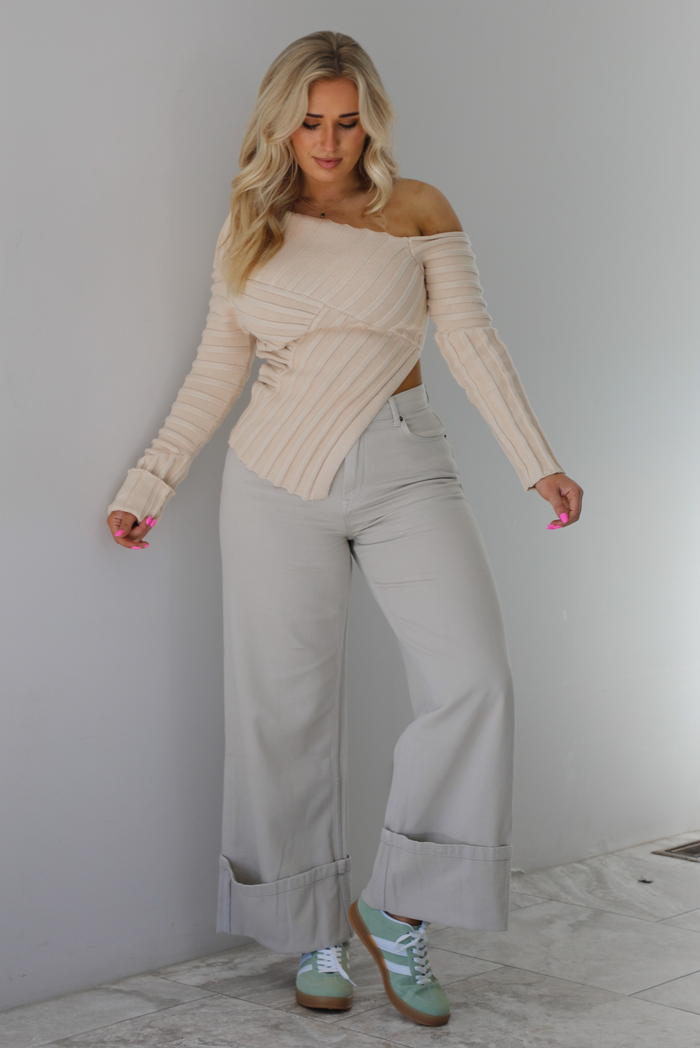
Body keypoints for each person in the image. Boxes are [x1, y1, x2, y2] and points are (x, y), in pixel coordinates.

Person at [106, 30, 583, 1028]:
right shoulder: (250, 221)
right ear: (280, 123)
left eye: (347, 120)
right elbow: (216, 369)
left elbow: (470, 339)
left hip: (407, 467)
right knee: (282, 714)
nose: (328, 141)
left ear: (373, 121)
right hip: (272, 481)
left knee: (476, 681)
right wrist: (150, 482)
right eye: (310, 122)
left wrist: (536, 458)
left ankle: (396, 909)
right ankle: (311, 928)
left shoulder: (418, 209)